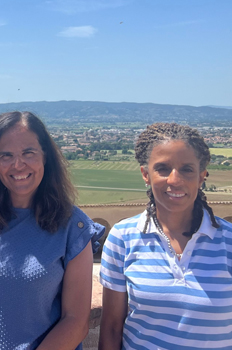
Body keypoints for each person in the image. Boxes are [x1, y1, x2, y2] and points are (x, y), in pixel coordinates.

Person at [0, 111, 104, 349]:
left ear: (45, 157)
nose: (18, 164)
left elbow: (76, 321)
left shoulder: (73, 226)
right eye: (6, 155)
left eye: (28, 153)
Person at [99, 123, 232, 349]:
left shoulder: (228, 242)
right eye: (162, 168)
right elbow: (111, 327)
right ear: (145, 175)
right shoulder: (123, 238)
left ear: (202, 176)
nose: (174, 180)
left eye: (187, 169)